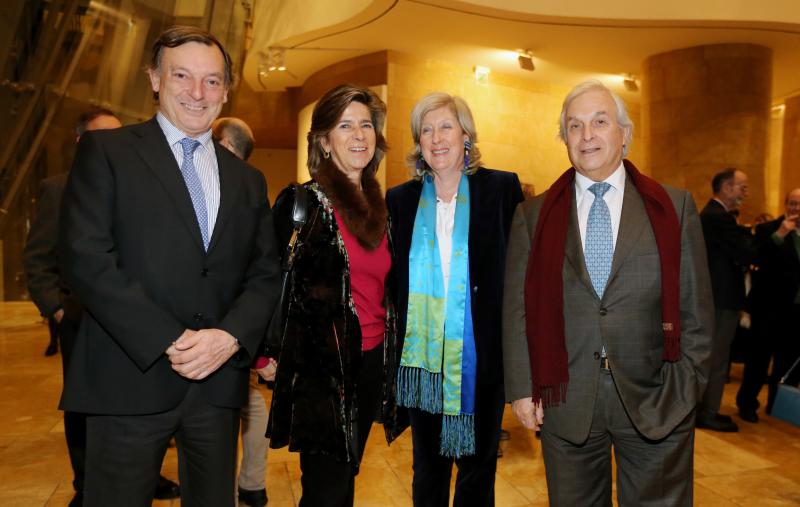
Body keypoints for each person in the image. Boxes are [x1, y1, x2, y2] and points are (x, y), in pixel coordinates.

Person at [57, 26, 280, 507]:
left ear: (225, 90)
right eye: (182, 76)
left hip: (217, 387)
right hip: (127, 382)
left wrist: (230, 336)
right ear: (155, 78)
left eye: (212, 81)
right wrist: (169, 338)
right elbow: (85, 257)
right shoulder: (108, 153)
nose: (198, 93)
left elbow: (265, 273)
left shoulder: (247, 181)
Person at [503, 80, 713, 505]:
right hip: (566, 402)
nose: (587, 135)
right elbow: (517, 310)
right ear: (565, 139)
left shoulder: (674, 207)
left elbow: (697, 314)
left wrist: (683, 391)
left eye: (600, 122)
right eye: (575, 126)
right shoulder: (533, 216)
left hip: (657, 398)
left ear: (624, 133)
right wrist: (523, 388)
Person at [23, 107, 181, 506]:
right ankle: (85, 485)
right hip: (82, 318)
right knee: (84, 406)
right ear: (81, 143)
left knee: (139, 400)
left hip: (133, 318)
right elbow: (38, 257)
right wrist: (57, 310)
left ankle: (147, 474)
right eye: (102, 137)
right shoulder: (59, 188)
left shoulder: (138, 187)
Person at [266, 84, 401, 507]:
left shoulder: (382, 208)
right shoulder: (302, 203)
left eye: (366, 124)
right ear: (324, 140)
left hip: (370, 363)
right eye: (346, 125)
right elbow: (264, 279)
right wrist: (264, 354)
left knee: (345, 482)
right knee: (325, 490)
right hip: (319, 371)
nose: (360, 134)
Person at [386, 92, 523, 506]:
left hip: (481, 357)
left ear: (466, 134)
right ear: (418, 142)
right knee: (428, 470)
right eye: (426, 130)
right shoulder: (400, 199)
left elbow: (520, 274)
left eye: (446, 126)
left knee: (477, 470)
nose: (436, 138)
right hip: (423, 360)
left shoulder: (500, 188)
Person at [212, 116, 269, 507]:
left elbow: (261, 276)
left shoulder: (248, 189)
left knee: (253, 410)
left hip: (231, 341)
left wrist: (259, 353)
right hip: (183, 345)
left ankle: (249, 485)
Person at [697, 168, 756, 432]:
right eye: (741, 187)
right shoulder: (717, 217)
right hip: (721, 299)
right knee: (718, 360)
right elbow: (747, 253)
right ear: (726, 187)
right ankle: (707, 412)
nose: (745, 192)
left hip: (718, 298)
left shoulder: (715, 215)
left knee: (716, 358)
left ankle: (706, 410)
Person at [737, 188, 800, 421]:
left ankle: (779, 405)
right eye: (792, 203)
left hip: (796, 311)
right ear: (785, 205)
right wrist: (780, 235)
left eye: (799, 205)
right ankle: (747, 404)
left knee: (787, 360)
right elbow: (757, 258)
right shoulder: (768, 230)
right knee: (758, 360)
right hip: (769, 309)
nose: (796, 209)